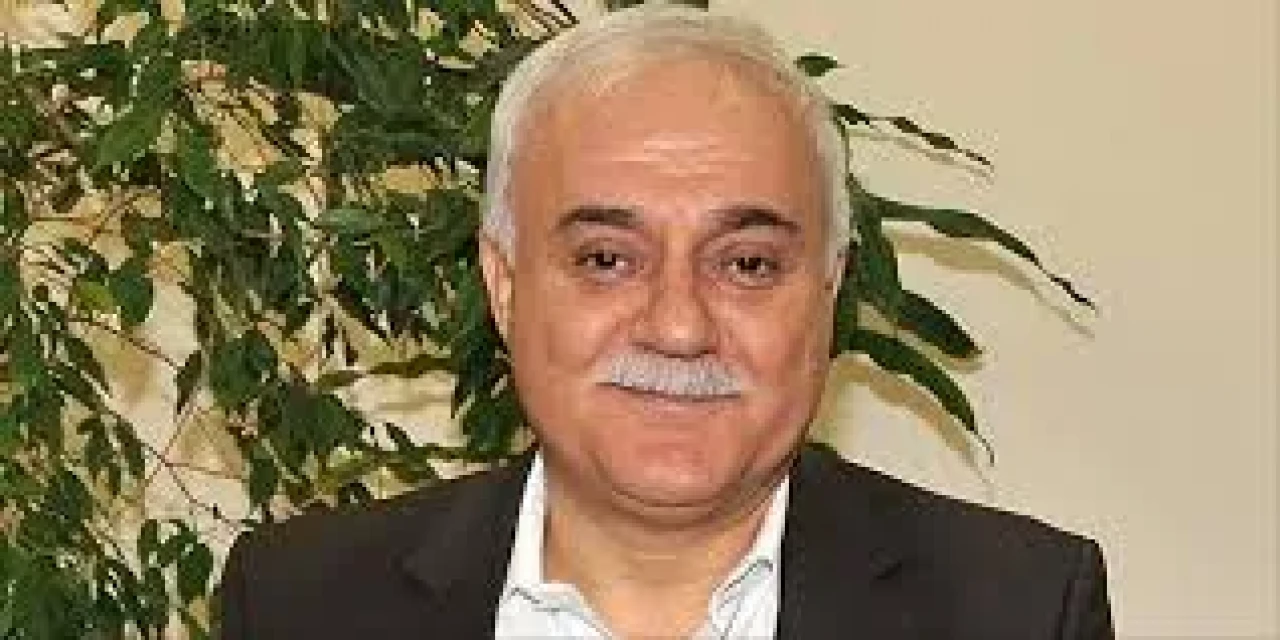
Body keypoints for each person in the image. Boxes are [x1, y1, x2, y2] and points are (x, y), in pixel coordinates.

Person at [217, 5, 1113, 639]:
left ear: (828, 292)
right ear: (505, 284)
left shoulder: (1020, 611)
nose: (679, 328)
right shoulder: (302, 604)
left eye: (747, 265)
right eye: (607, 260)